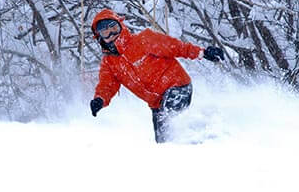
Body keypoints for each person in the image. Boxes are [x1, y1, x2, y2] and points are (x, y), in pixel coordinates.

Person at [89, 8, 224, 142]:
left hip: (178, 87)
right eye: (105, 32)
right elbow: (107, 85)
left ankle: (209, 137)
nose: (112, 34)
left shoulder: (144, 40)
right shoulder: (109, 63)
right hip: (157, 104)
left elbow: (175, 47)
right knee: (164, 141)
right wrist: (100, 100)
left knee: (170, 125)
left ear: (121, 25)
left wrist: (203, 52)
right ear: (100, 38)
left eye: (113, 28)